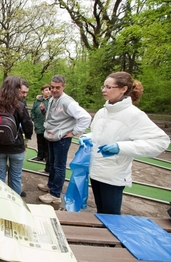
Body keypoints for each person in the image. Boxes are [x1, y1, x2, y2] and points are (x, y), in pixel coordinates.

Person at [80, 72, 169, 214]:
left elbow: (160, 142)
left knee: (112, 217)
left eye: (109, 87)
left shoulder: (134, 115)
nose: (104, 90)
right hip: (96, 171)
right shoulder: (102, 112)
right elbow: (101, 134)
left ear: (123, 89)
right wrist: (88, 137)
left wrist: (120, 147)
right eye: (103, 86)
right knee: (101, 212)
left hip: (114, 175)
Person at [37, 75, 91, 204]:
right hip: (51, 136)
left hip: (61, 139)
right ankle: (50, 186)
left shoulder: (67, 102)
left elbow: (85, 117)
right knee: (52, 163)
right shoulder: (52, 99)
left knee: (59, 166)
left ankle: (55, 194)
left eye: (57, 87)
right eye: (52, 87)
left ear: (63, 86)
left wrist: (74, 132)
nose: (54, 90)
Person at [0, 76, 33, 196]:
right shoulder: (19, 105)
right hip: (16, 146)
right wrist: (27, 136)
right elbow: (28, 125)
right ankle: (15, 205)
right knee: (15, 178)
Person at [31, 84, 51, 163]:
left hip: (48, 125)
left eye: (49, 89)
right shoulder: (37, 101)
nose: (48, 91)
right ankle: (40, 156)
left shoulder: (51, 100)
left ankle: (47, 157)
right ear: (42, 92)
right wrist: (34, 119)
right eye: (46, 90)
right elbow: (32, 111)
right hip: (38, 124)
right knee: (40, 141)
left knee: (47, 142)